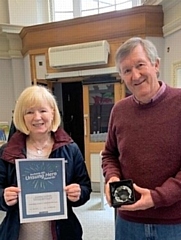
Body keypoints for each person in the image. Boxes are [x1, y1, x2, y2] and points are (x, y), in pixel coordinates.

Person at [102, 37, 181, 240]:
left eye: (140, 65)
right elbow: (109, 154)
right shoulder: (119, 110)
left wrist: (156, 198)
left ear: (156, 65)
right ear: (121, 76)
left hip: (174, 222)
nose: (135, 75)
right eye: (127, 70)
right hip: (128, 221)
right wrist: (112, 178)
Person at [0, 85, 92, 240]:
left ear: (53, 113)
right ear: (21, 117)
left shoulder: (70, 149)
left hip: (62, 232)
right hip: (18, 234)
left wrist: (78, 193)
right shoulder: (6, 151)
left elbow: (85, 187)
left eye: (43, 111)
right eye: (29, 112)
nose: (37, 117)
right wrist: (3, 196)